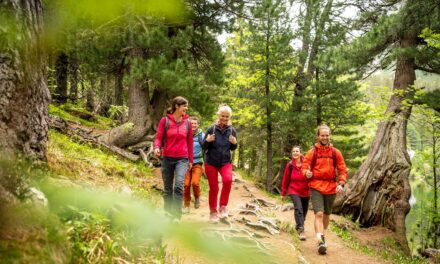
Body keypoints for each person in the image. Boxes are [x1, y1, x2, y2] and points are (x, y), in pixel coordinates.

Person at [302, 125, 347, 255]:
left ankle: (322, 233)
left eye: (327, 135)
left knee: (327, 215)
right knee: (319, 214)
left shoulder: (335, 152)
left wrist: (341, 183)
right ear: (318, 136)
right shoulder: (312, 152)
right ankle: (321, 241)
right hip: (316, 186)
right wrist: (306, 173)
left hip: (331, 187)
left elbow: (342, 169)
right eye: (322, 135)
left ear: (329, 136)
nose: (325, 137)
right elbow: (305, 167)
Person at [153, 96, 193, 220]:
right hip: (167, 158)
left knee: (179, 186)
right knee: (168, 189)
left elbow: (190, 142)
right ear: (176, 106)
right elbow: (158, 137)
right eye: (184, 106)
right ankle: (167, 215)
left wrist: (190, 160)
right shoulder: (165, 121)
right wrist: (156, 147)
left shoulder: (187, 123)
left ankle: (176, 217)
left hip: (182, 158)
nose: (186, 109)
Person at [202, 104, 237, 223]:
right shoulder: (211, 129)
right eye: (223, 116)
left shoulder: (232, 130)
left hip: (225, 162)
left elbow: (233, 148)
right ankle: (213, 212)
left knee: (227, 180)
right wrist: (207, 140)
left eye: (227, 116)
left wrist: (234, 143)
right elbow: (203, 145)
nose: (225, 118)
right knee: (214, 188)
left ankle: (223, 207)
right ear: (218, 115)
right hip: (211, 162)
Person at [281, 146, 310, 241]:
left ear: (300, 152)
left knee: (304, 211)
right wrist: (283, 192)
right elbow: (285, 179)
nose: (295, 153)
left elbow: (312, 175)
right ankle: (301, 229)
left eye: (297, 151)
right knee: (298, 208)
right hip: (294, 190)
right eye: (293, 151)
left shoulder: (307, 163)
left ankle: (300, 224)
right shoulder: (289, 165)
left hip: (306, 191)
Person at [183, 116, 205, 213]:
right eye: (192, 123)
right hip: (186, 163)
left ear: (198, 125)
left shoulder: (202, 136)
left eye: (195, 123)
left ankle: (197, 198)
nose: (193, 125)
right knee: (186, 184)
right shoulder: (184, 134)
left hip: (197, 163)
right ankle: (186, 204)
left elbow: (207, 148)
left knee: (195, 183)